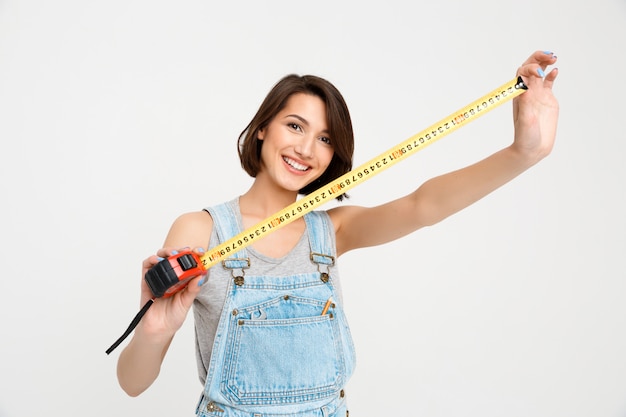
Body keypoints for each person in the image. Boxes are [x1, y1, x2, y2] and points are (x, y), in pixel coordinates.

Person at [116, 50, 559, 416]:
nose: (307, 149)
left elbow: (423, 205)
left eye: (326, 139)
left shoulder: (333, 230)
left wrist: (524, 153)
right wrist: (155, 330)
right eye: (295, 126)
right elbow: (133, 385)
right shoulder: (200, 230)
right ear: (262, 129)